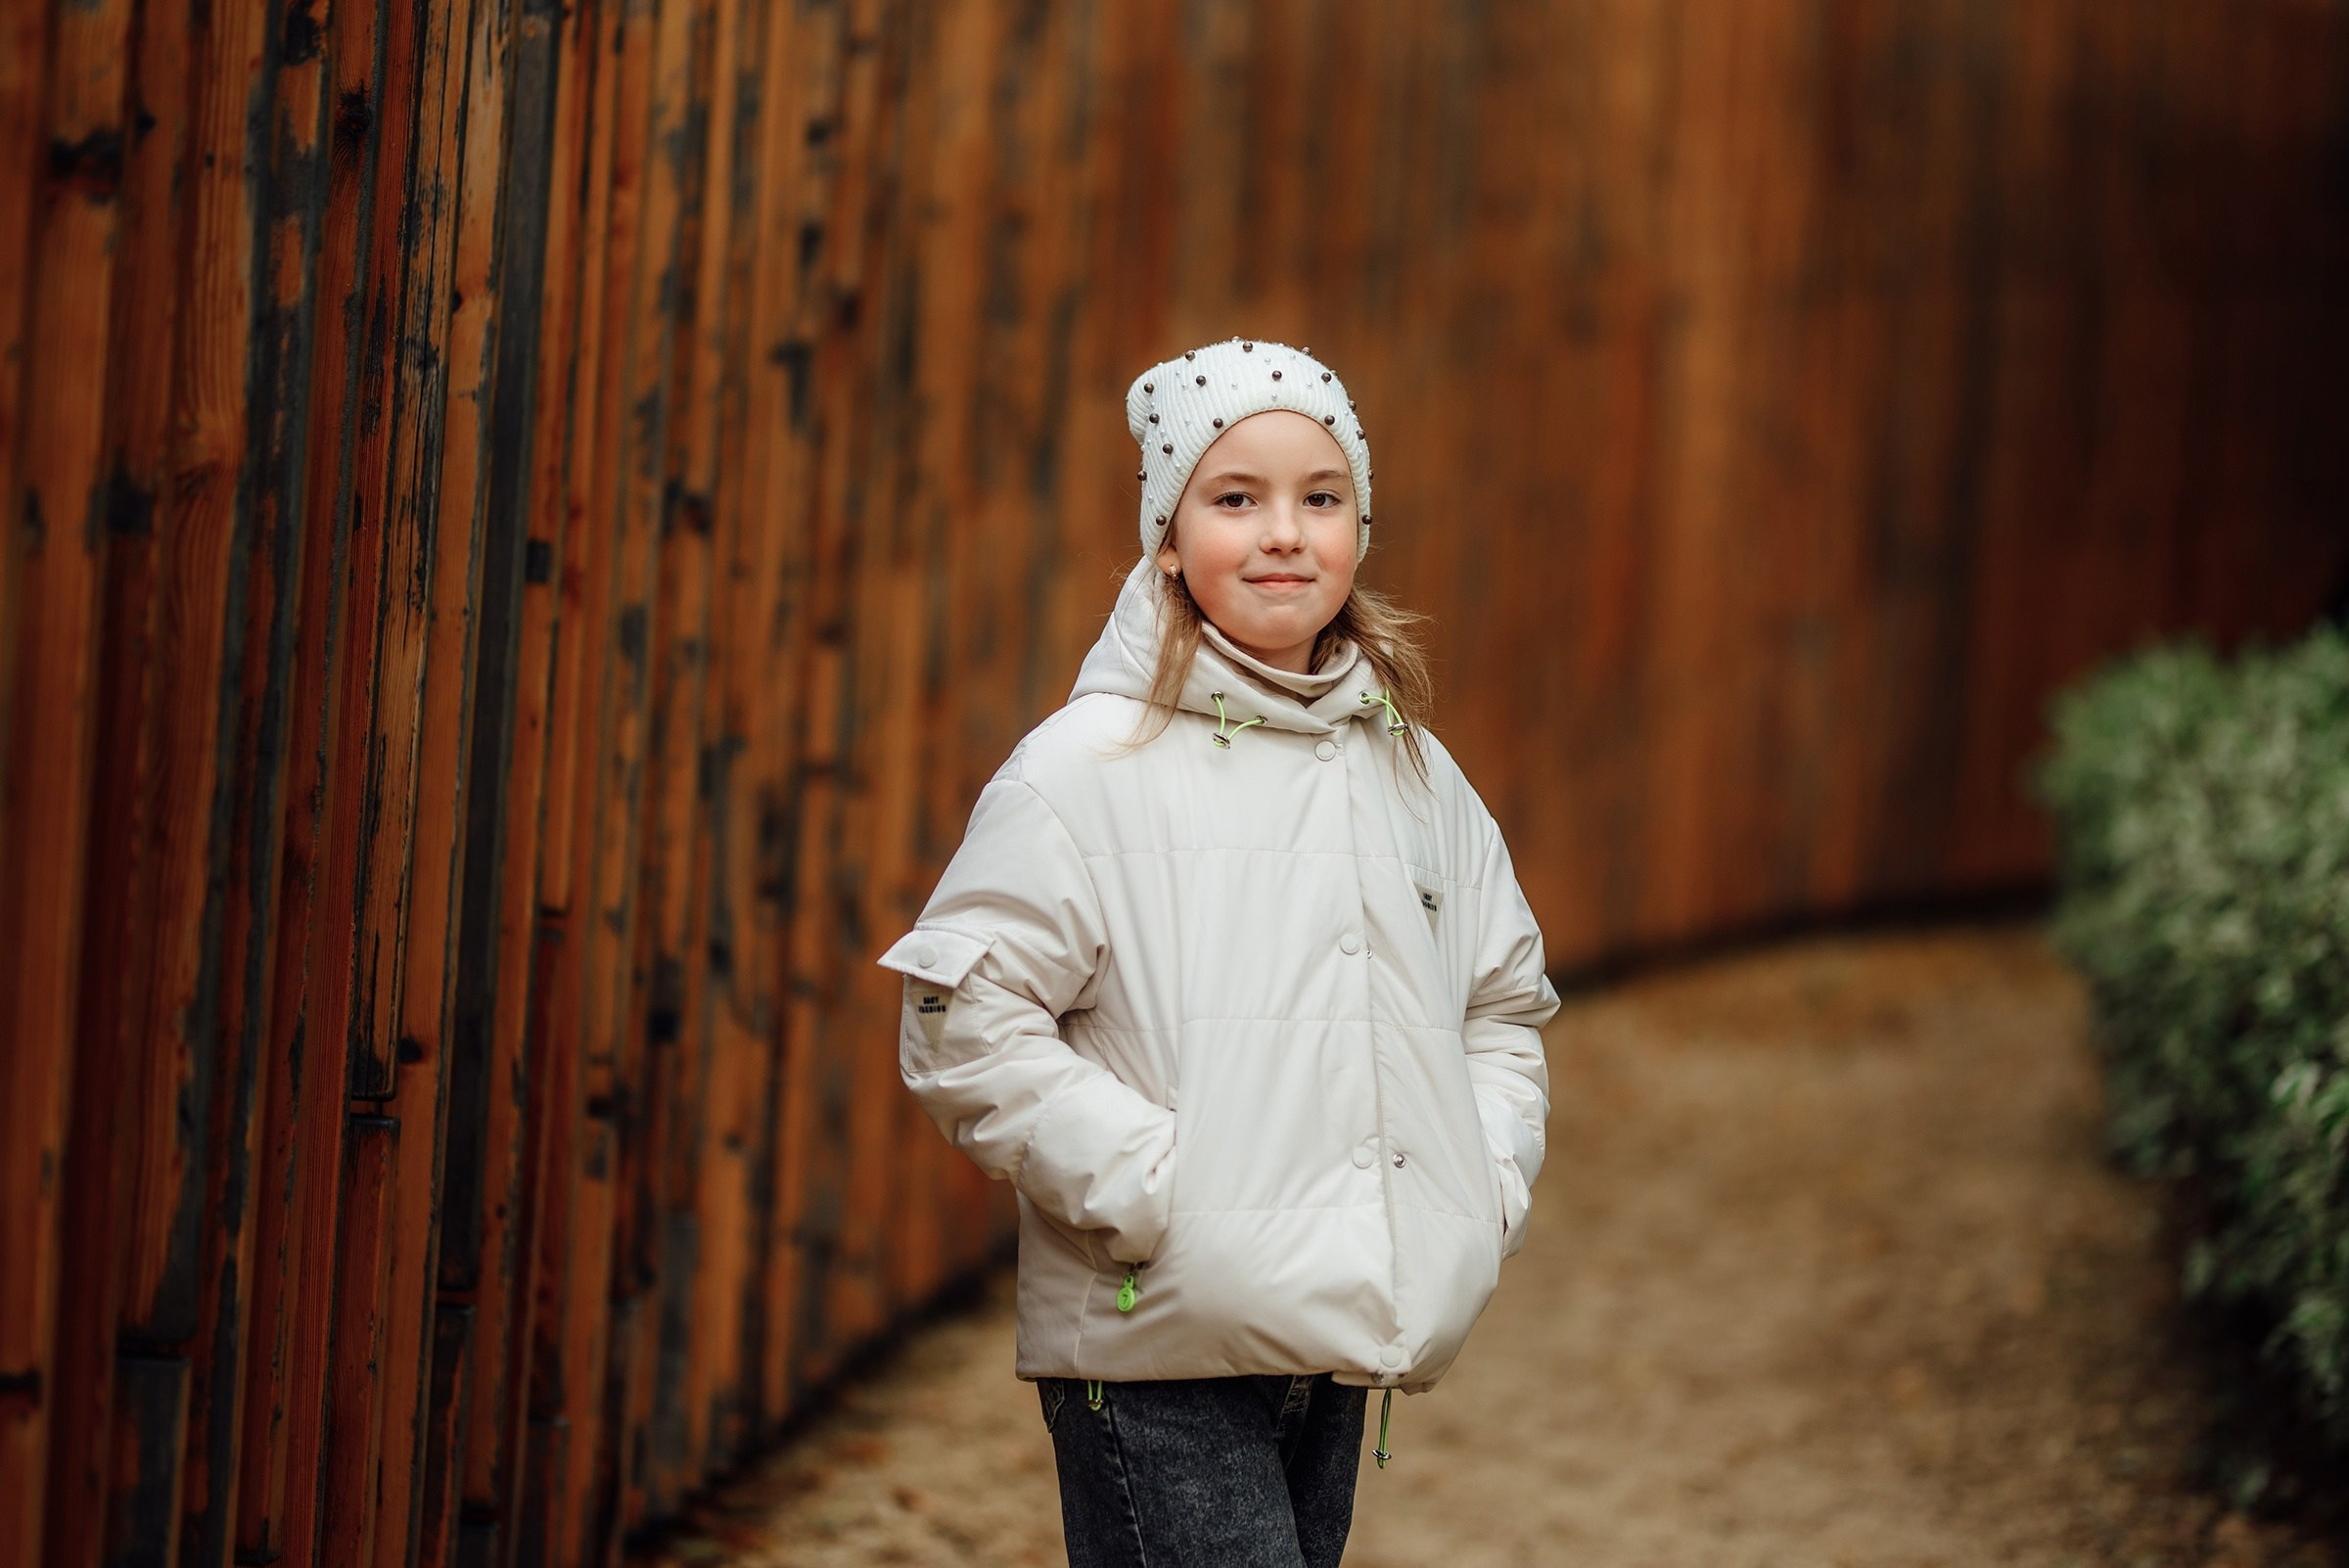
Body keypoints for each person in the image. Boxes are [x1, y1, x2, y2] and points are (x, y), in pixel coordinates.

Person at [877, 337, 1558, 1568]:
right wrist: (1151, 1189)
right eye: (1236, 497)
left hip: (1336, 1338)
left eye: (1322, 497)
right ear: (1170, 535)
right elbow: (961, 1017)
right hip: (1158, 1341)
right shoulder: (1087, 770)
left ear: (1361, 526)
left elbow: (1502, 1002)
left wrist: (1478, 1186)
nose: (1284, 533)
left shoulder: (1411, 771)